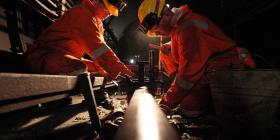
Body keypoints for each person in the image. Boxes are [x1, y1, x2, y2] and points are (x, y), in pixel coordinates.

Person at [138, 0, 256, 117]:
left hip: (227, 71)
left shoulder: (189, 27)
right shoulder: (180, 27)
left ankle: (191, 98)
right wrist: (169, 47)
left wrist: (166, 104)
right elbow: (181, 43)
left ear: (166, 15)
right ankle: (181, 91)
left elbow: (188, 74)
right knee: (165, 53)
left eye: (156, 29)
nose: (157, 34)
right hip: (213, 70)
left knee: (190, 108)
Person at [24, 0, 134, 79]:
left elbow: (102, 54)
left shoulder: (97, 22)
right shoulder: (82, 14)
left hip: (61, 56)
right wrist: (126, 74)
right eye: (106, 8)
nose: (108, 13)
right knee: (79, 67)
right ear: (95, 1)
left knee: (98, 68)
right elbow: (100, 51)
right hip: (41, 58)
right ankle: (54, 97)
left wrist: (113, 71)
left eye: (110, 12)